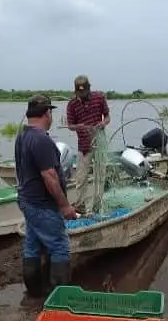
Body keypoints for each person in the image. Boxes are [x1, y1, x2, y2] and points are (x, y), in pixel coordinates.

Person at [16, 95, 78, 297]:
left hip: (27, 201)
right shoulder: (42, 139)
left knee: (32, 245)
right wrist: (64, 206)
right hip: (43, 205)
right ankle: (60, 297)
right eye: (51, 112)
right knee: (59, 246)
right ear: (47, 113)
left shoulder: (22, 135)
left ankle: (34, 293)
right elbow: (50, 176)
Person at [66, 75, 111, 213]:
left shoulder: (99, 97)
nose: (82, 95)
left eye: (84, 92)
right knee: (81, 177)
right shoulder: (72, 104)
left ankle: (98, 204)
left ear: (89, 89)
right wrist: (78, 126)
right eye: (79, 93)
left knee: (100, 174)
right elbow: (70, 125)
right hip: (84, 144)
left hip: (99, 140)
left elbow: (108, 117)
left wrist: (102, 123)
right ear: (76, 92)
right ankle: (80, 206)